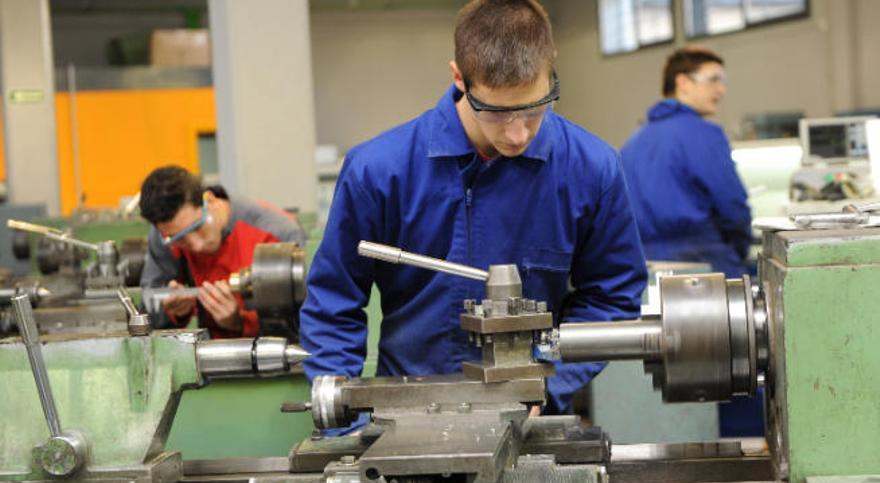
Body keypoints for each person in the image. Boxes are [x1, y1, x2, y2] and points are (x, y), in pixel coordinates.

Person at [300, 0, 647, 416]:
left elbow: (612, 298)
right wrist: (343, 421)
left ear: (551, 67)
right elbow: (333, 303)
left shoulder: (591, 170)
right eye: (497, 113)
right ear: (459, 78)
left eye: (535, 108)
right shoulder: (378, 171)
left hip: (531, 422)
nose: (518, 135)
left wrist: (545, 380)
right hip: (403, 416)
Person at [620, 47, 752, 278]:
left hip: (643, 266)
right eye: (713, 80)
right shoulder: (704, 134)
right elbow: (732, 206)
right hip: (703, 262)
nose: (721, 90)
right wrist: (738, 250)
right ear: (683, 82)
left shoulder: (633, 142)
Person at [139, 165, 307, 339]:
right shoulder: (166, 236)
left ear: (209, 200)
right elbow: (145, 316)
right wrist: (174, 312)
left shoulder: (278, 234)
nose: (196, 246)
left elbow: (304, 325)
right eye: (180, 239)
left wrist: (241, 322)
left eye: (198, 228)